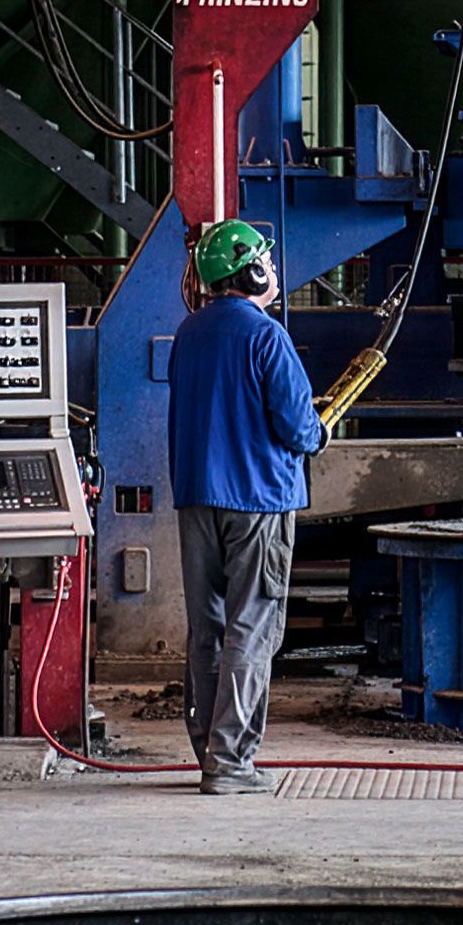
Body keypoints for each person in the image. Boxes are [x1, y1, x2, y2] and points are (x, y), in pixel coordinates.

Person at [168, 218, 326, 795]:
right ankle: (231, 764)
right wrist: (319, 431)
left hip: (196, 499)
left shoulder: (189, 333)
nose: (275, 271)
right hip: (257, 500)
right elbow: (297, 427)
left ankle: (208, 751)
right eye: (267, 260)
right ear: (252, 271)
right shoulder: (266, 336)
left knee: (206, 631)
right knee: (251, 630)